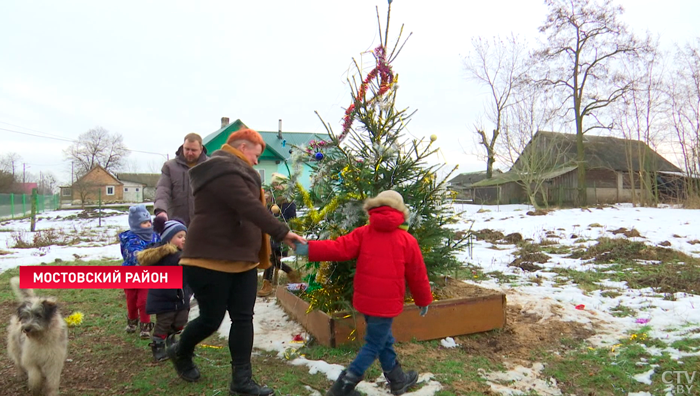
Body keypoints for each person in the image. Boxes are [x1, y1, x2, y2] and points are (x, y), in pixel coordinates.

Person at [167, 128, 306, 396]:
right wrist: (282, 232)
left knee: (243, 318)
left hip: (242, 259)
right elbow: (248, 206)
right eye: (256, 155)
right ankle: (180, 351)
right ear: (243, 148)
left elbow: (249, 208)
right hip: (209, 259)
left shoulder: (237, 171)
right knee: (211, 319)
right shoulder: (222, 170)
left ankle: (241, 382)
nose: (257, 161)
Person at [294, 190, 431, 396]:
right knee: (374, 343)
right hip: (386, 304)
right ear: (401, 212)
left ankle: (397, 380)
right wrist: (423, 299)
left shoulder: (363, 233)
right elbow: (417, 274)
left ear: (374, 209)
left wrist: (309, 248)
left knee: (383, 339)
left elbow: (338, 248)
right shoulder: (406, 240)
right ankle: (344, 386)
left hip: (365, 301)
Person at [137, 217, 191, 362]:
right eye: (179, 237)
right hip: (164, 299)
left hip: (181, 298)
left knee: (181, 321)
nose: (184, 239)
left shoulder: (185, 255)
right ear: (168, 239)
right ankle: (158, 346)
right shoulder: (163, 257)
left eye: (185, 236)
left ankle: (171, 338)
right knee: (164, 323)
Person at [119, 204, 160, 339]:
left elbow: (161, 249)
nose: (148, 224)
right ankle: (132, 321)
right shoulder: (130, 238)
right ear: (135, 224)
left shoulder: (155, 236)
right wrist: (143, 256)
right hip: (130, 274)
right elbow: (133, 254)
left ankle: (145, 325)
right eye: (144, 223)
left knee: (143, 301)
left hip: (146, 275)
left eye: (149, 221)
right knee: (131, 301)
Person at [257, 178, 301, 297]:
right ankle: (290, 272)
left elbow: (292, 220)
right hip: (269, 235)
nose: (276, 187)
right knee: (270, 256)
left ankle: (268, 284)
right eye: (274, 185)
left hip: (282, 235)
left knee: (270, 257)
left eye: (278, 185)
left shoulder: (289, 203)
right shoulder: (269, 202)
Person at [154, 133, 208, 226]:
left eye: (193, 150)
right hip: (176, 225)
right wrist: (161, 210)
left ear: (201, 149)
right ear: (183, 147)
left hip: (203, 225)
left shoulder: (210, 167)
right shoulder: (170, 167)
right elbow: (163, 190)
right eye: (187, 149)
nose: (190, 153)